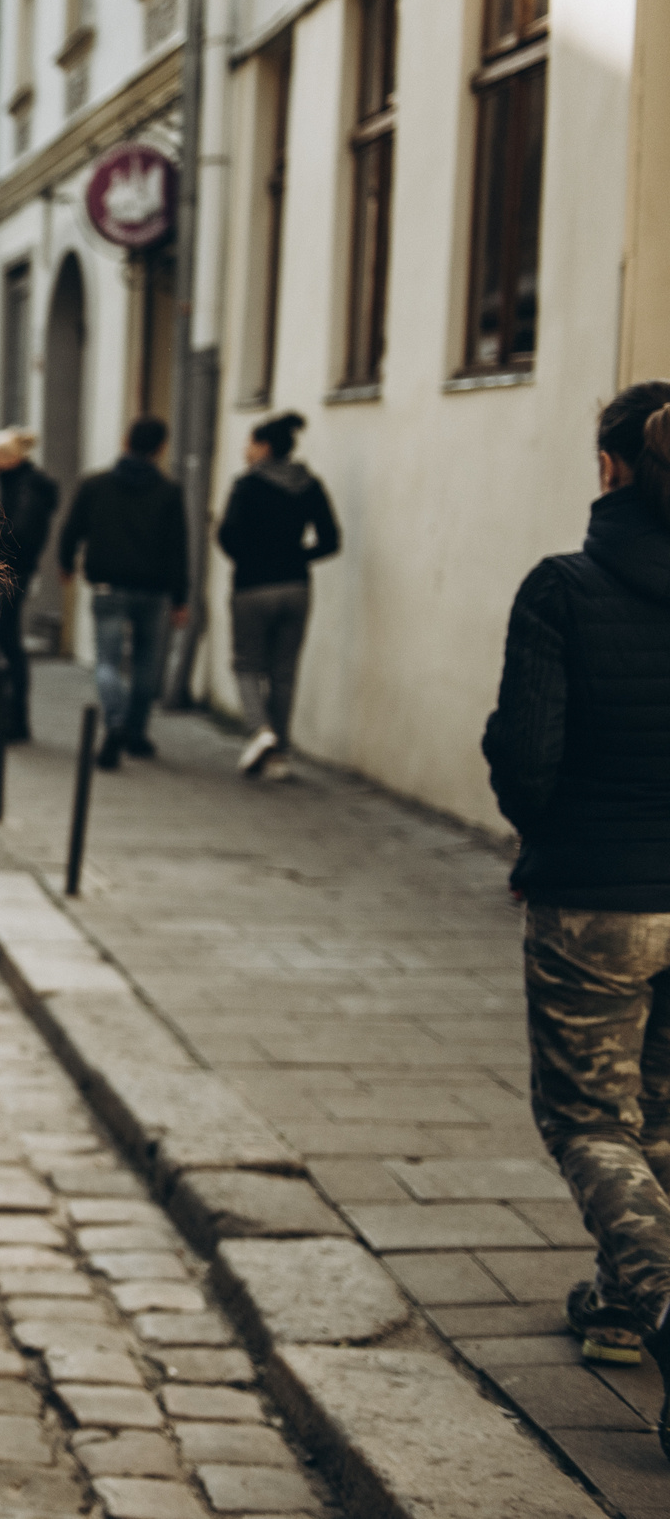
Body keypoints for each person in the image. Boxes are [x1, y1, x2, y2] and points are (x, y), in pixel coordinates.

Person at [483, 381, 670, 1431]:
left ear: (610, 467)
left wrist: (540, 837)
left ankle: (660, 1303)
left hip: (597, 898)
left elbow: (527, 758)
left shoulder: (563, 588)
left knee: (593, 1119)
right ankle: (617, 1304)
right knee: (663, 1119)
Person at [57, 416, 188, 768]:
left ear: (126, 441)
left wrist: (66, 564)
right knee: (146, 664)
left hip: (108, 587)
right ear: (160, 448)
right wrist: (181, 597)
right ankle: (136, 734)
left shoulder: (95, 485)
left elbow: (72, 529)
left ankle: (114, 721)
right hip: (153, 590)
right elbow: (178, 548)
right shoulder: (169, 492)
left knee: (107, 661)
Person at [216, 411, 341, 780]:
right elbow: (331, 540)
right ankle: (279, 758)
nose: (246, 451)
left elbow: (226, 535)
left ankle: (261, 731)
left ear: (265, 447)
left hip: (252, 587)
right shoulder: (309, 484)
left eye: (251, 444)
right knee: (284, 672)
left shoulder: (246, 485)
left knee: (246, 665)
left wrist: (252, 559)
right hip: (296, 587)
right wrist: (296, 557)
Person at [0, 426, 59, 745]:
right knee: (9, 645)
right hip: (11, 572)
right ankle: (14, 720)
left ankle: (5, 720)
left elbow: (20, 534)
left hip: (10, 574)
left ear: (9, 458)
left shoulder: (27, 487)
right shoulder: (20, 484)